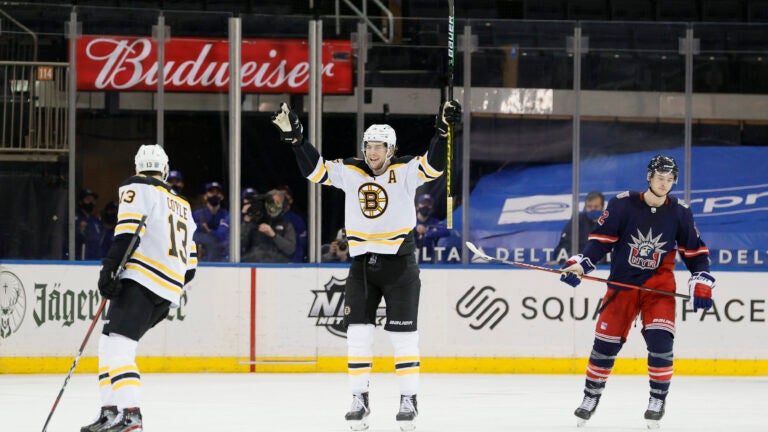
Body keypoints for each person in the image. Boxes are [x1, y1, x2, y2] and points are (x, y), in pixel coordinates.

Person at [272, 99, 461, 431]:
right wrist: (298, 141)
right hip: (361, 266)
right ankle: (359, 398)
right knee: (358, 336)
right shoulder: (351, 170)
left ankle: (408, 399)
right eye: (369, 146)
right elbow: (315, 171)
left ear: (391, 149)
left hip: (400, 265)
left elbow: (433, 167)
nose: (373, 152)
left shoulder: (405, 170)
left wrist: (442, 132)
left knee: (404, 338)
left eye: (379, 146)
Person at [559, 155, 714, 429]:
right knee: (605, 346)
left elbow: (695, 254)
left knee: (661, 343)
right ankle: (591, 396)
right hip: (623, 286)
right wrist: (581, 265)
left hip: (659, 289)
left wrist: (701, 281)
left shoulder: (680, 212)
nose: (664, 184)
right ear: (649, 177)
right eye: (660, 178)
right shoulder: (622, 204)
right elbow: (600, 242)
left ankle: (657, 400)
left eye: (670, 179)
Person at [81, 144, 197, 432]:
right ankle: (110, 411)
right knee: (109, 343)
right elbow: (191, 267)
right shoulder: (183, 205)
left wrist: (109, 270)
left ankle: (130, 415)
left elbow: (127, 233)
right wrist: (168, 283)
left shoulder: (137, 187)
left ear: (137, 168)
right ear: (165, 170)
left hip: (142, 282)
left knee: (119, 346)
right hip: (167, 291)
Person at [546, 191, 605, 265]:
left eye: (596, 207)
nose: (592, 209)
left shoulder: (611, 221)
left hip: (604, 266)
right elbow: (566, 242)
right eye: (589, 207)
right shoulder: (578, 220)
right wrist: (560, 261)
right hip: (580, 264)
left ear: (602, 207)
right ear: (585, 206)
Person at [241, 189, 296, 263]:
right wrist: (246, 222)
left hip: (277, 266)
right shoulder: (254, 222)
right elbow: (239, 243)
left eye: (277, 202)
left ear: (283, 205)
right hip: (254, 264)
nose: (272, 206)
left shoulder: (286, 225)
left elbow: (290, 249)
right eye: (270, 202)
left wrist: (274, 235)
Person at [192, 181, 229, 261]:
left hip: (222, 257)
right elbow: (193, 236)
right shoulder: (197, 214)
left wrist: (209, 231)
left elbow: (226, 237)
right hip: (202, 257)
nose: (214, 195)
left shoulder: (227, 215)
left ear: (221, 196)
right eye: (211, 192)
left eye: (217, 192)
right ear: (205, 196)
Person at [413, 193, 449, 264]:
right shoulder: (411, 221)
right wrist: (416, 229)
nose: (425, 206)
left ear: (431, 207)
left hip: (429, 258)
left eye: (428, 204)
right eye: (423, 203)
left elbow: (446, 231)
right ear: (417, 206)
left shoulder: (434, 222)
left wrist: (427, 233)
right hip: (412, 258)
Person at [277, 185, 308, 263]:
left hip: (291, 262)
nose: (282, 199)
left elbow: (301, 244)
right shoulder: (270, 218)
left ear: (290, 200)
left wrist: (294, 263)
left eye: (284, 195)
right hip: (273, 261)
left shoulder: (297, 220)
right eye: (280, 196)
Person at [76, 188, 105, 260]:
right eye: (88, 199)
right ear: (80, 202)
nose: (91, 202)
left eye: (93, 200)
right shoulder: (75, 218)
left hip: (95, 259)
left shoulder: (96, 220)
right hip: (80, 259)